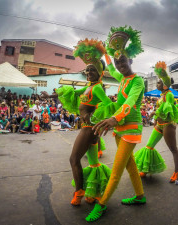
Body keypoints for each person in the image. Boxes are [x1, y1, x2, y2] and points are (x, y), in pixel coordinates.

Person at [41, 38, 112, 206]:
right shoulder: (89, 85)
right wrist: (50, 96)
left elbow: (107, 104)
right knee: (93, 162)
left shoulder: (97, 88)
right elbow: (72, 92)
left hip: (88, 129)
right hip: (89, 129)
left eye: (92, 71)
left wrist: (94, 117)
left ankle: (79, 192)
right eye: (87, 71)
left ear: (100, 72)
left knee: (74, 159)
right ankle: (93, 192)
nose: (88, 74)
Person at [87, 26, 146, 222]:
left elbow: (130, 102)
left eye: (124, 61)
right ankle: (140, 197)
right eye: (119, 61)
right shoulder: (121, 78)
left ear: (131, 61)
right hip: (120, 129)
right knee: (130, 166)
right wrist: (106, 54)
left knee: (116, 171)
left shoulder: (137, 81)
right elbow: (111, 68)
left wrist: (115, 118)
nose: (120, 65)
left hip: (130, 128)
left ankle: (101, 204)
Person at [135, 61, 178, 181]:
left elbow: (168, 110)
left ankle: (177, 172)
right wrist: (155, 119)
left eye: (159, 82)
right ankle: (146, 169)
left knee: (173, 149)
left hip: (167, 126)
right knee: (149, 146)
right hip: (159, 125)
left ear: (165, 85)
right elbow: (159, 108)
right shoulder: (162, 95)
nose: (157, 84)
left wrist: (155, 113)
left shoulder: (169, 95)